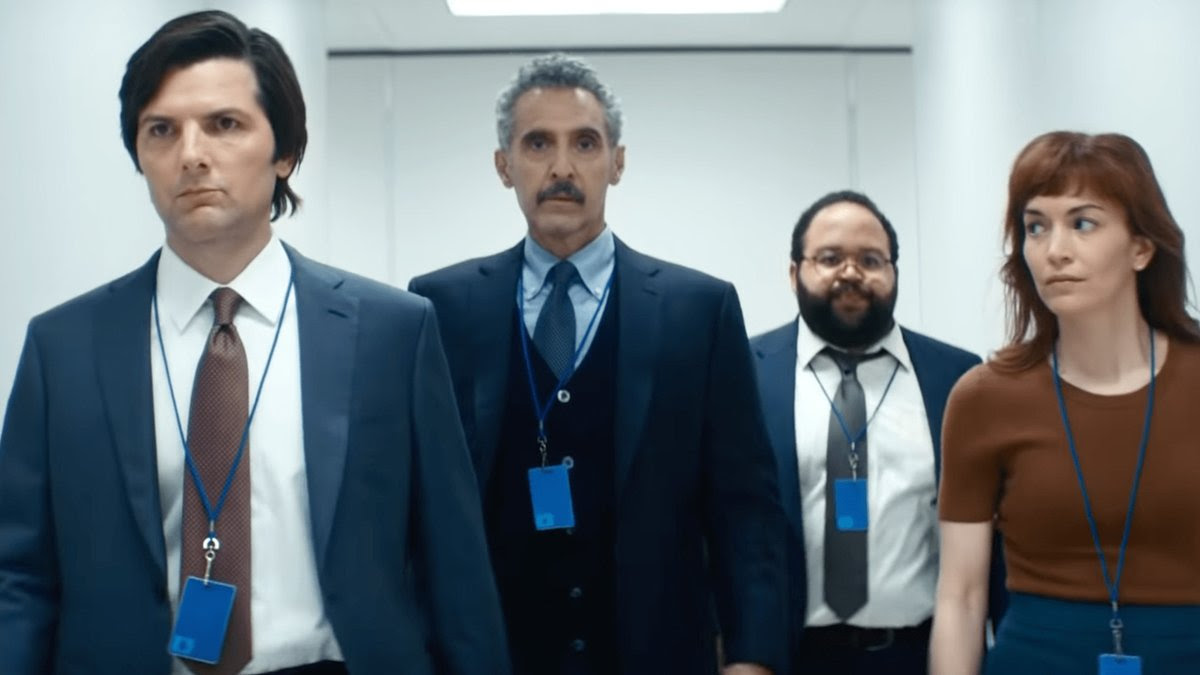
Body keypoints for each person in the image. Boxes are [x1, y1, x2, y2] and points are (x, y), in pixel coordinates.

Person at [0, 11, 507, 675]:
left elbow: (455, 569)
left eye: (224, 124)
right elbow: (21, 578)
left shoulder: (393, 334)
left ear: (285, 152)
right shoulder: (63, 349)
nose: (191, 154)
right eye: (161, 130)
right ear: (139, 156)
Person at [408, 52, 786, 675]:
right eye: (537, 144)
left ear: (617, 162)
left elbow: (746, 505)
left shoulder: (699, 309)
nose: (562, 168)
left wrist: (754, 655)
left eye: (585, 143)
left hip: (656, 653)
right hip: (493, 654)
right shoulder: (439, 307)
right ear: (504, 166)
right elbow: (417, 508)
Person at [931, 131, 1200, 673]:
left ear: (1142, 248)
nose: (1055, 250)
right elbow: (961, 596)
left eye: (1083, 223)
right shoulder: (984, 397)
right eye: (1036, 227)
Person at [751, 190, 1002, 674]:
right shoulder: (746, 372)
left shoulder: (958, 378)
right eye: (830, 258)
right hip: (787, 658)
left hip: (920, 654)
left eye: (870, 260)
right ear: (794, 273)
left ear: (894, 273)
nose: (851, 273)